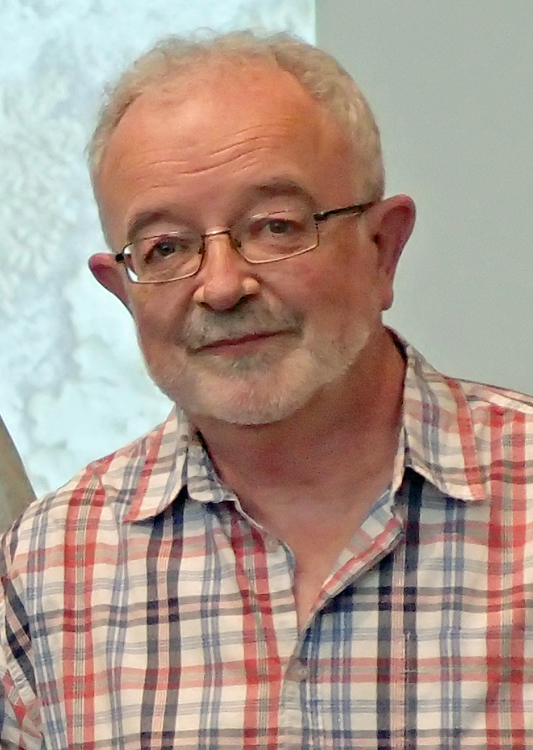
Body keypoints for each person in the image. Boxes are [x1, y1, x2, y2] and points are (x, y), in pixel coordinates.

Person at [1, 29, 532, 750]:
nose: (222, 287)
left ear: (383, 248)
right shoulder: (48, 565)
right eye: (165, 248)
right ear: (122, 291)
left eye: (275, 227)